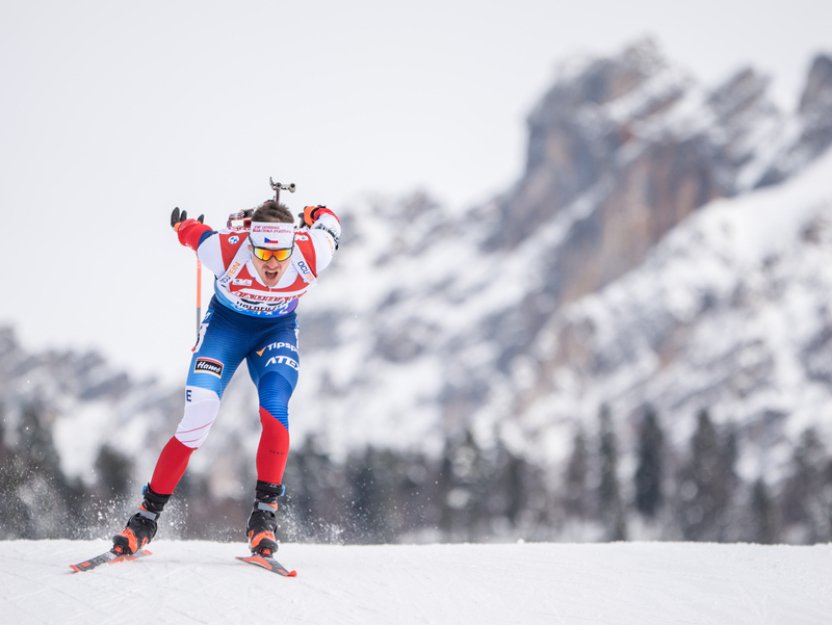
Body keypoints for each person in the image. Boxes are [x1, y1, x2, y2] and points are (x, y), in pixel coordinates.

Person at [111, 198, 341, 558]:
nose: (271, 265)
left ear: (294, 244)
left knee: (275, 409)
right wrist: (181, 227)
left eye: (280, 255)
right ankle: (145, 517)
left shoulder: (313, 252)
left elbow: (330, 226)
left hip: (276, 333)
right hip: (225, 332)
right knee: (199, 413)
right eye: (262, 254)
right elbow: (193, 235)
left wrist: (316, 212)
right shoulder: (223, 249)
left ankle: (264, 517)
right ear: (249, 242)